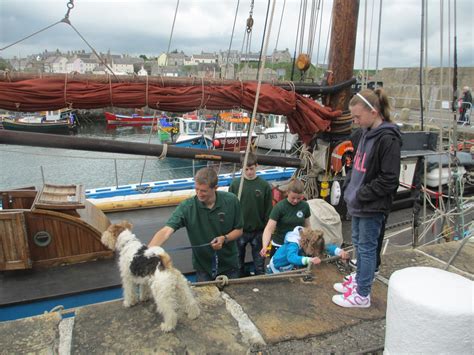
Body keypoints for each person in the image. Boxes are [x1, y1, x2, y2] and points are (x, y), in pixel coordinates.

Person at [332, 89, 401, 308]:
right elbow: (357, 165)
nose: (355, 121)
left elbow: (389, 180)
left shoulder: (388, 139)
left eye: (357, 117)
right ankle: (359, 279)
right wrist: (350, 187)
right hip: (358, 204)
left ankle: (362, 294)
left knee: (367, 248)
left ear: (373, 112)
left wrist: (360, 193)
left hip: (371, 205)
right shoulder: (365, 133)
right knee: (359, 245)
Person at [149, 167, 243, 282]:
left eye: (203, 191)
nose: (199, 194)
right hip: (203, 269)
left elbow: (239, 230)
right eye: (196, 189)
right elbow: (166, 231)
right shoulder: (187, 207)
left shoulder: (231, 201)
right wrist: (148, 252)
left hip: (229, 266)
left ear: (215, 188)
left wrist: (224, 238)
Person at [228, 152, 272, 276]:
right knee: (237, 264)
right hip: (239, 230)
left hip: (258, 231)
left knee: (259, 264)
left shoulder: (264, 186)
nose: (249, 172)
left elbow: (268, 210)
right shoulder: (235, 185)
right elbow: (231, 208)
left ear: (256, 166)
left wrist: (266, 230)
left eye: (251, 169)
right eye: (246, 169)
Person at [260, 179, 311, 258]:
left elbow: (307, 226)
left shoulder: (305, 206)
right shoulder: (279, 207)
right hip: (280, 245)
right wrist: (264, 246)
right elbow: (269, 229)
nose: (295, 201)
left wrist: (308, 241)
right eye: (293, 198)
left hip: (297, 245)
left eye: (299, 198)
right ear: (287, 193)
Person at [266, 226, 350, 274]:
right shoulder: (293, 245)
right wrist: (309, 259)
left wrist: (339, 251)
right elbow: (291, 258)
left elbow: (326, 247)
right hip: (276, 267)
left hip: (287, 267)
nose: (313, 254)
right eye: (313, 252)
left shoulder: (309, 240)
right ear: (310, 246)